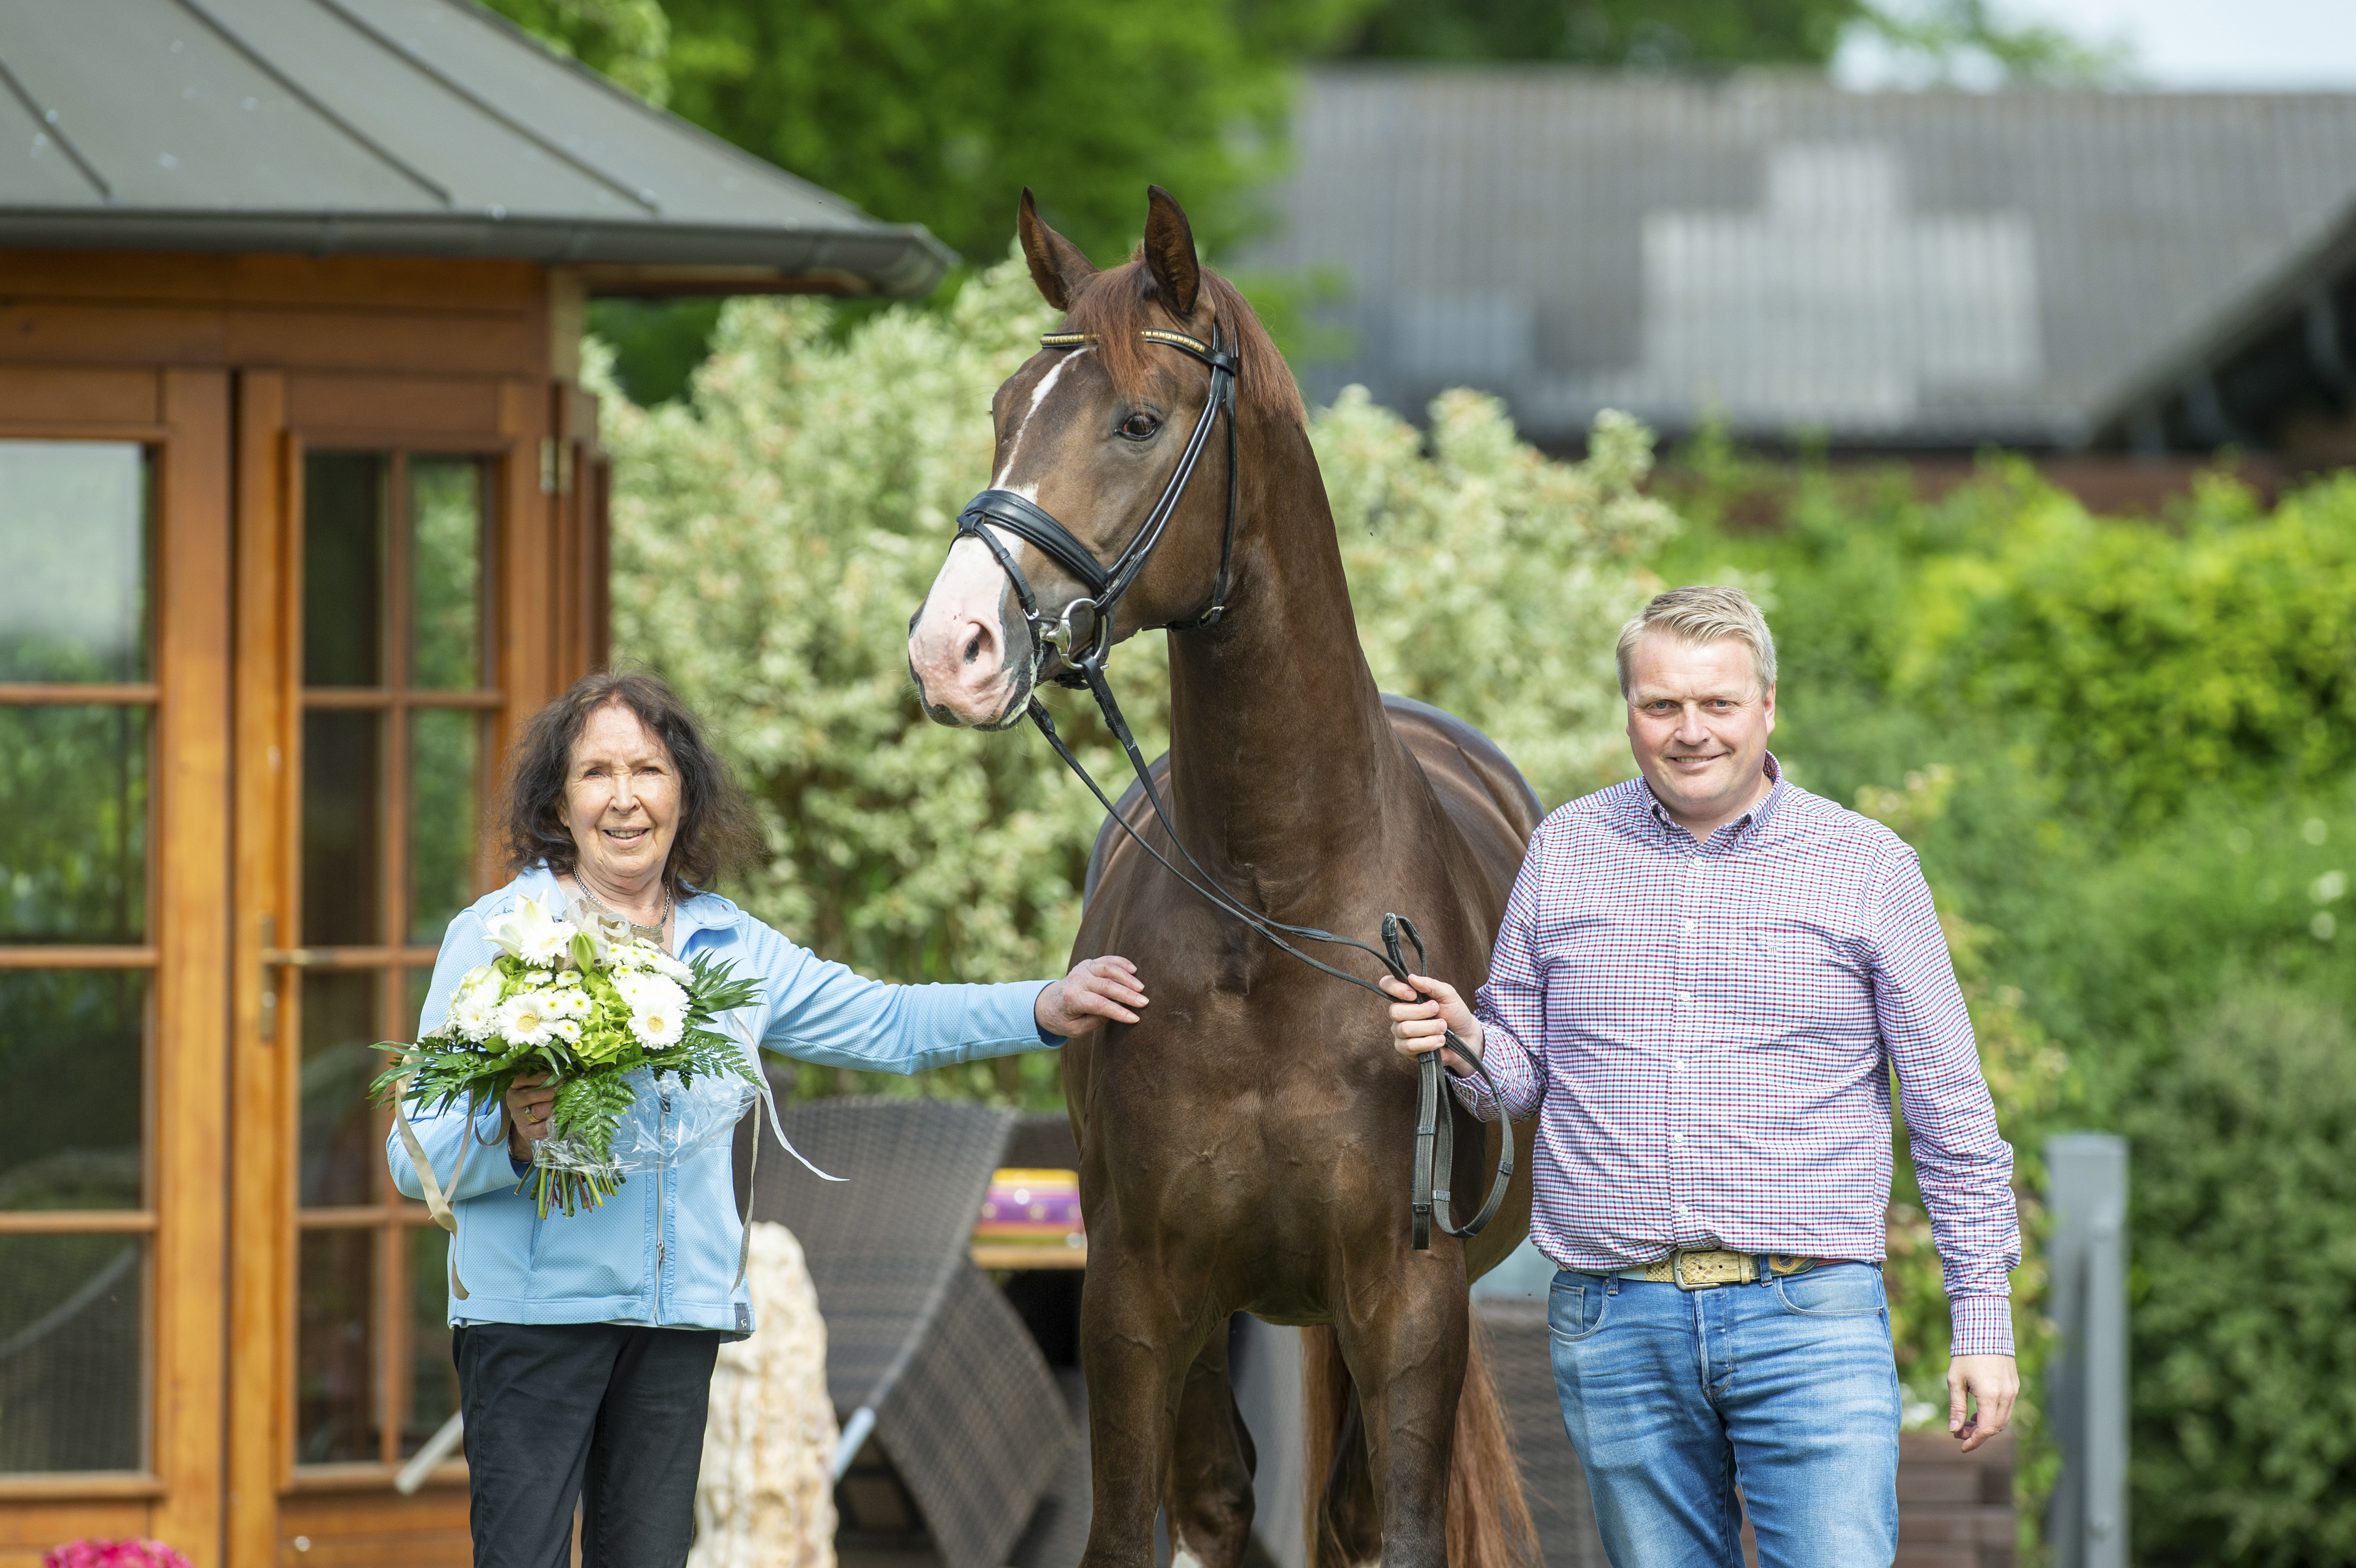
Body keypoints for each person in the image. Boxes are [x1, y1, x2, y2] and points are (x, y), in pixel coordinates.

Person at [388, 671, 1147, 1568]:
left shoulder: (732, 945)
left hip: (676, 1325)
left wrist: (1043, 1005)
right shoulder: (498, 935)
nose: (625, 798)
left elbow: (887, 1020)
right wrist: (511, 1135)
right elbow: (416, 1156)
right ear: (560, 799)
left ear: (685, 794)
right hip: (533, 1320)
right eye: (597, 773)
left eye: (650, 771)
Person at [1383, 585, 2018, 1568]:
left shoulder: (1865, 867)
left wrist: (1982, 1319)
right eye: (1661, 704)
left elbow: (1950, 1111)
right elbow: (1515, 1074)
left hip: (1806, 1314)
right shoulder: (1564, 852)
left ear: (1766, 706)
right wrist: (1462, 1034)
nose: (1690, 731)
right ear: (1630, 710)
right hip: (1614, 1322)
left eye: (1717, 703)